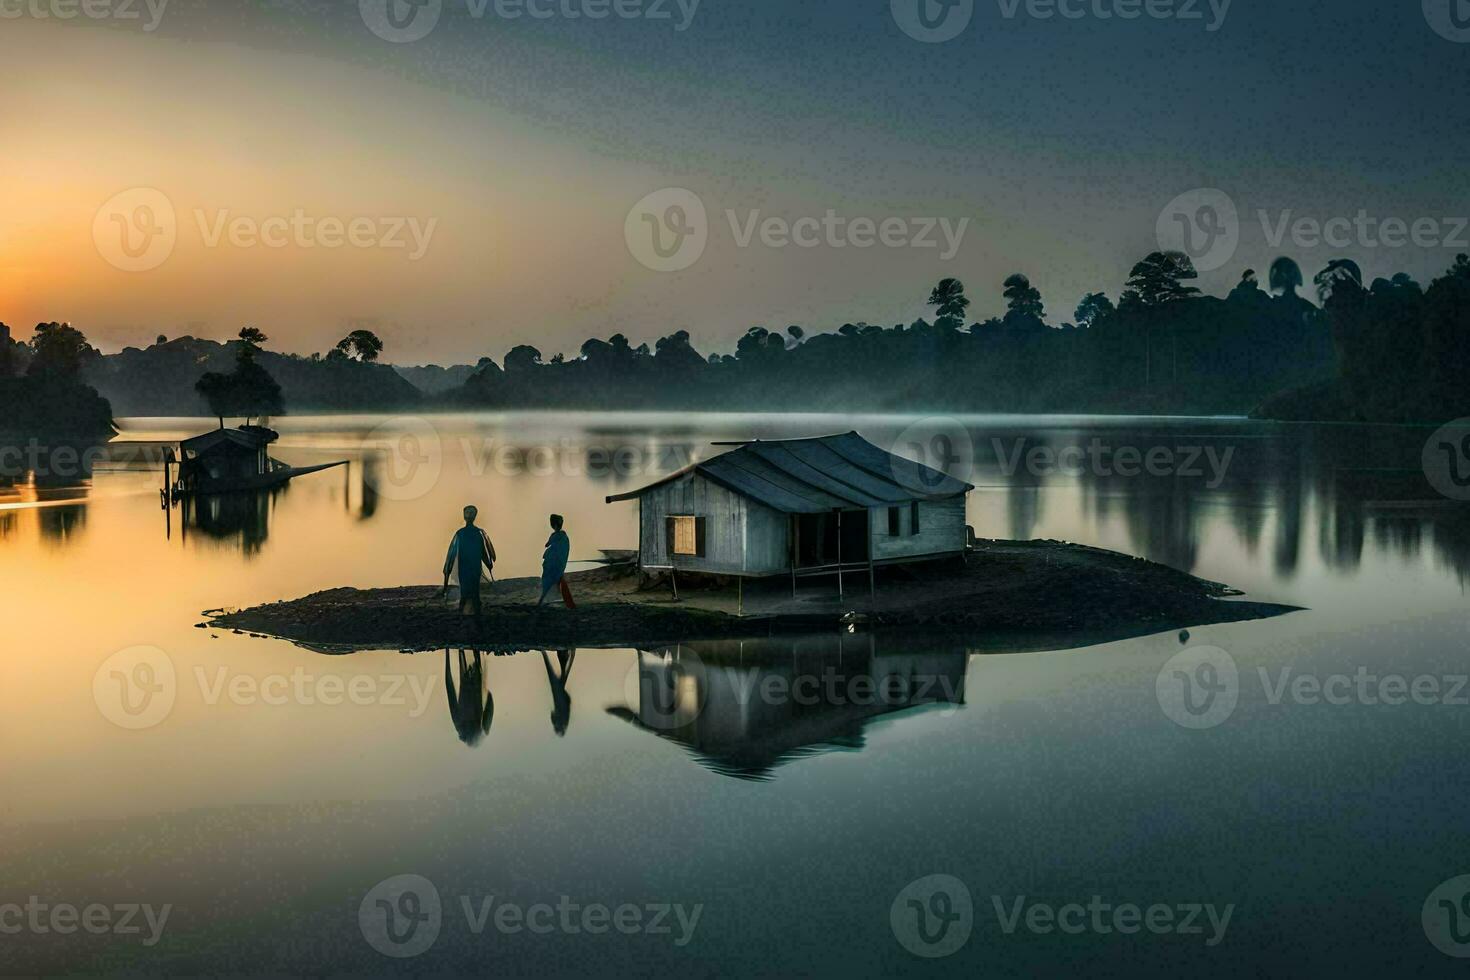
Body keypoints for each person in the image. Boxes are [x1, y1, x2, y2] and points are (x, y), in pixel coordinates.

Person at [442, 505, 496, 625]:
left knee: (468, 592)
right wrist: (488, 564)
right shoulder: (471, 533)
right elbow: (485, 553)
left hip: (469, 567)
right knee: (470, 592)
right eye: (467, 512)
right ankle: (474, 616)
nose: (469, 515)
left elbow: (482, 551)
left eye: (471, 513)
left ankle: (465, 616)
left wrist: (447, 569)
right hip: (468, 567)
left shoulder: (465, 533)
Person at [537, 514, 575, 608]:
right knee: (558, 580)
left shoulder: (557, 536)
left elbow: (547, 544)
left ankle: (541, 600)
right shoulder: (563, 536)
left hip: (553, 563)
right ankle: (567, 602)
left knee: (550, 581)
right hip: (557, 563)